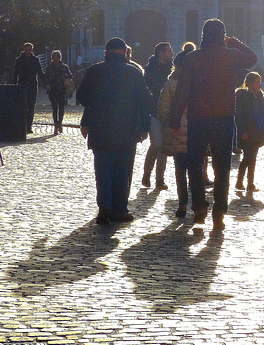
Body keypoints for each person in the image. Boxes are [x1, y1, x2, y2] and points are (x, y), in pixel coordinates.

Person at [169, 18, 257, 230]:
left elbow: (182, 92)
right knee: (222, 167)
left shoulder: (193, 58)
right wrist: (233, 41)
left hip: (198, 118)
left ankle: (199, 206)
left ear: (203, 35)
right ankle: (219, 212)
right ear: (222, 35)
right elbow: (252, 58)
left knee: (195, 164)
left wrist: (174, 121)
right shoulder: (231, 55)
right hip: (224, 118)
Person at [76, 37, 152, 225]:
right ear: (125, 53)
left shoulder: (94, 71)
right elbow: (145, 102)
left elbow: (83, 98)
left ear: (105, 53)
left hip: (100, 128)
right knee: (122, 170)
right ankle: (120, 209)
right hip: (126, 129)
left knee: (102, 170)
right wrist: (144, 127)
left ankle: (104, 208)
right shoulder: (134, 72)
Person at [158, 42, 196, 218]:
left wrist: (169, 124)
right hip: (197, 131)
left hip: (177, 131)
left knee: (180, 170)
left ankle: (182, 203)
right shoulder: (199, 83)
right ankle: (197, 203)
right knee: (196, 169)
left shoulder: (170, 83)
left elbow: (163, 108)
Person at [142, 42, 174, 190]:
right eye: (169, 51)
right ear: (161, 53)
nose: (172, 53)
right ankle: (147, 173)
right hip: (153, 111)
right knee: (157, 143)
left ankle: (159, 179)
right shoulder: (148, 70)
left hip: (167, 112)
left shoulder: (172, 70)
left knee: (164, 147)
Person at [234, 71, 264, 192]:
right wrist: (243, 131)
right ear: (248, 83)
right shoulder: (242, 96)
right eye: (256, 82)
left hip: (258, 132)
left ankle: (249, 183)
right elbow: (239, 115)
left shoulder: (259, 95)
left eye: (259, 82)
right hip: (248, 133)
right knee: (248, 158)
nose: (258, 85)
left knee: (252, 158)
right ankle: (241, 182)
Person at [12, 42, 44, 133]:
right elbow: (15, 74)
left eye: (30, 50)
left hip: (33, 85)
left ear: (32, 50)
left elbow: (40, 72)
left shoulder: (35, 60)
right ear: (24, 49)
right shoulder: (19, 60)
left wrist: (46, 83)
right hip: (22, 85)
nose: (28, 51)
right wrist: (13, 86)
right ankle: (23, 125)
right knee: (22, 106)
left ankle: (29, 126)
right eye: (27, 50)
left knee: (31, 106)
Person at [44, 50, 73, 135]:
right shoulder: (49, 67)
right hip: (52, 89)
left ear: (60, 58)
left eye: (57, 57)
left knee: (61, 107)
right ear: (52, 58)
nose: (56, 59)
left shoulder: (64, 67)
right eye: (54, 57)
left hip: (61, 89)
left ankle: (60, 122)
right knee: (54, 108)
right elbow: (45, 78)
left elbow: (70, 76)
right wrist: (47, 84)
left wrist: (66, 77)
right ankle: (56, 123)